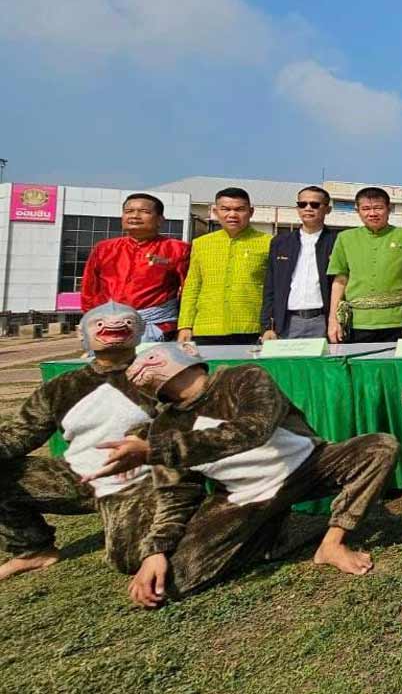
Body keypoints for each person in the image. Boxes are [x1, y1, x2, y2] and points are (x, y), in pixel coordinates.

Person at [95, 342, 398, 606]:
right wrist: (156, 551)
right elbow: (176, 497)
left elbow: (255, 430)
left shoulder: (244, 377)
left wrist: (155, 450)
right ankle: (280, 534)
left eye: (149, 358)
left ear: (186, 354)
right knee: (171, 583)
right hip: (243, 498)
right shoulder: (164, 428)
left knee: (379, 448)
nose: (140, 368)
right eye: (134, 368)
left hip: (308, 465)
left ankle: (332, 542)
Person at [0, 303, 165, 582]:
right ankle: (32, 549)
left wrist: (143, 439)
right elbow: (21, 432)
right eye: (98, 323)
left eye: (126, 321)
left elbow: (187, 421)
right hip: (77, 476)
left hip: (137, 480)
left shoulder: (160, 375)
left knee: (128, 558)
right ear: (83, 335)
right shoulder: (62, 387)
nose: (113, 326)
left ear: (139, 331)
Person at [79, 192, 191, 341]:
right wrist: (90, 320)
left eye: (144, 212)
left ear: (160, 220)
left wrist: (185, 326)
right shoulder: (104, 248)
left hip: (156, 326)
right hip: (108, 327)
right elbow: (89, 289)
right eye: (128, 211)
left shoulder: (178, 249)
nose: (135, 216)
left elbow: (189, 291)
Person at [177, 187, 272, 346]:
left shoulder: (269, 242)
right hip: (206, 327)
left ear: (251, 211)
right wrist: (185, 325)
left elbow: (274, 289)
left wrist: (270, 326)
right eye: (225, 209)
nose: (232, 215)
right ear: (215, 211)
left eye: (240, 209)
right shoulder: (201, 244)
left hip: (251, 326)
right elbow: (193, 286)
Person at [327, 187, 402, 344]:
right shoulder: (345, 238)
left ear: (388, 209)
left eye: (378, 208)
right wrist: (333, 319)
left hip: (397, 320)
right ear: (358, 211)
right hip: (357, 322)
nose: (372, 213)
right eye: (365, 209)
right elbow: (340, 280)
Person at [261, 185, 337, 340]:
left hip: (323, 321)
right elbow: (270, 286)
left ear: (327, 210)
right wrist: (267, 326)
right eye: (303, 204)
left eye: (315, 205)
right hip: (288, 322)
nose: (308, 208)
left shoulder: (337, 242)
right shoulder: (280, 242)